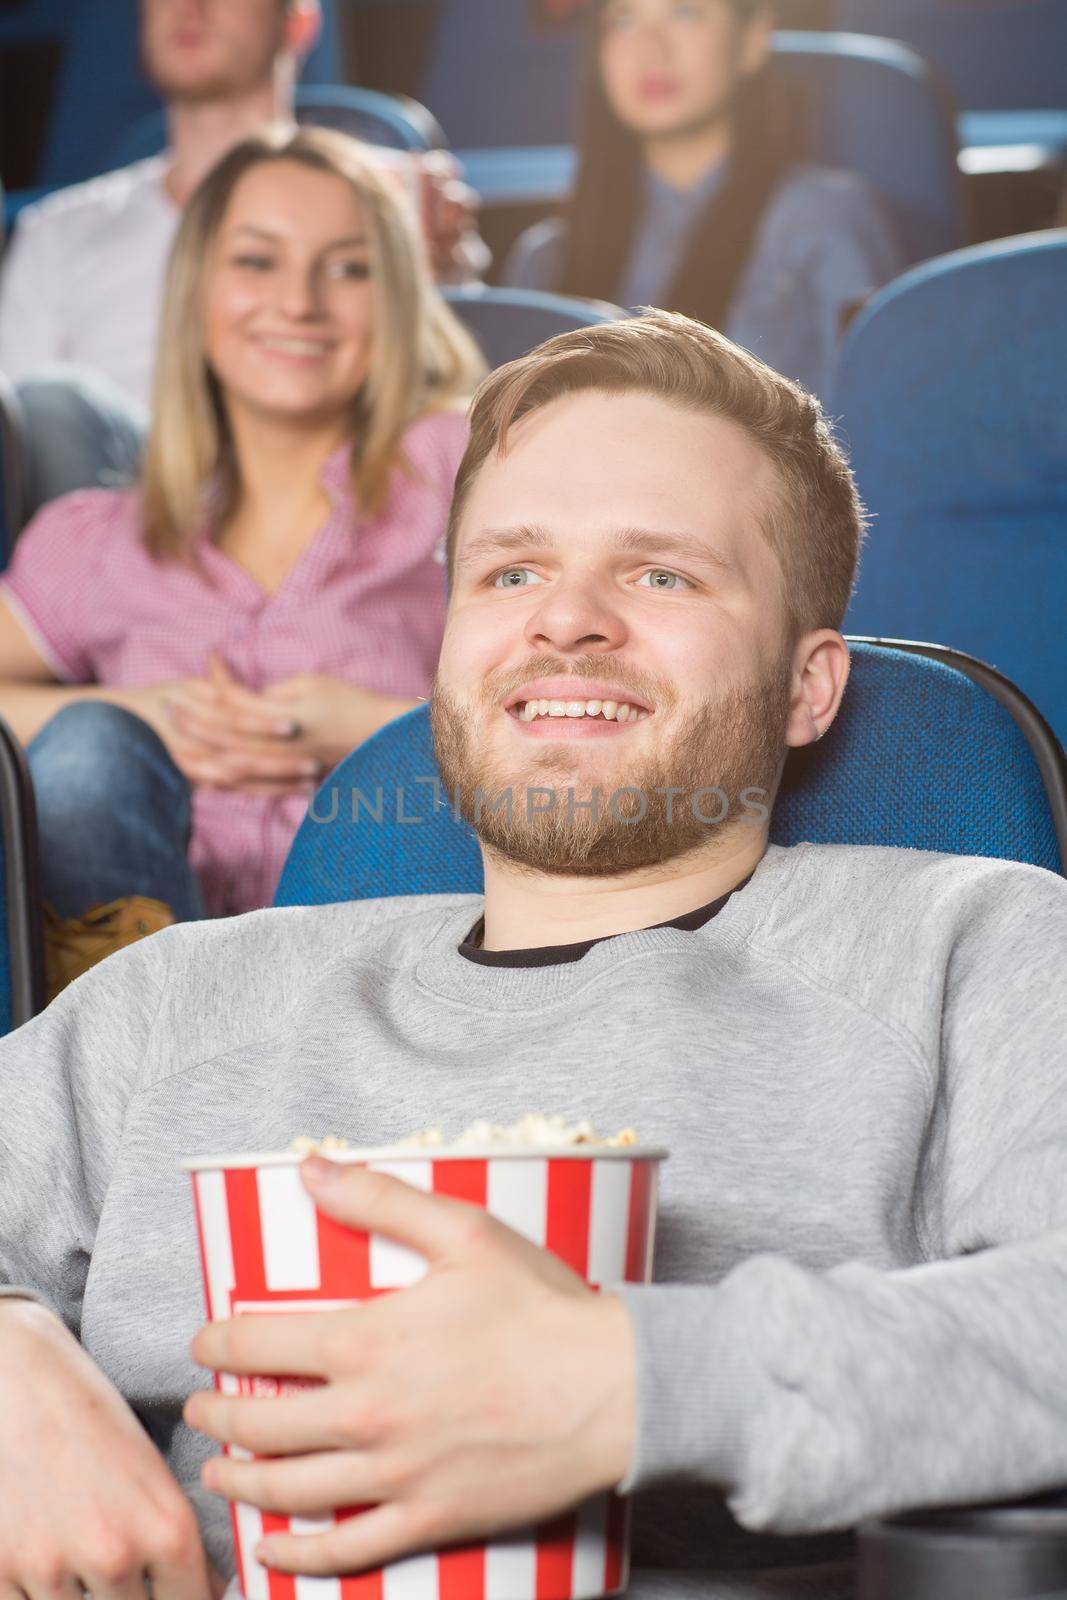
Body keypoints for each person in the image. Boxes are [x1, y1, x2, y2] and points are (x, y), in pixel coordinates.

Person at [1, 310, 1066, 1600]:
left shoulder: (970, 943)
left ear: (807, 688)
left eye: (659, 574)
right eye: (508, 573)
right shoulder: (176, 999)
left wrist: (623, 1383)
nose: (565, 621)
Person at [0, 125, 484, 926]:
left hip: (377, 937)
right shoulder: (100, 534)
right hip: (143, 954)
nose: (299, 303)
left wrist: (372, 730)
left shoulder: (464, 466)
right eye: (257, 261)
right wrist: (147, 719)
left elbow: (573, 706)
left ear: (394, 300)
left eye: (350, 268)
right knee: (91, 748)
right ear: (197, 290)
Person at [0, 0, 487, 511]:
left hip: (323, 480)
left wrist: (440, 265)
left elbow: (441, 378)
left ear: (297, 20)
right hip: (119, 501)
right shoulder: (58, 228)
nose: (189, 8)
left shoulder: (390, 195)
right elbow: (19, 432)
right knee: (55, 405)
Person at [504, 0, 904, 396]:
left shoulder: (824, 217)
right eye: (623, 20)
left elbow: (874, 417)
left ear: (751, 38)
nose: (651, 49)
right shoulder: (545, 259)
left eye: (684, 12)